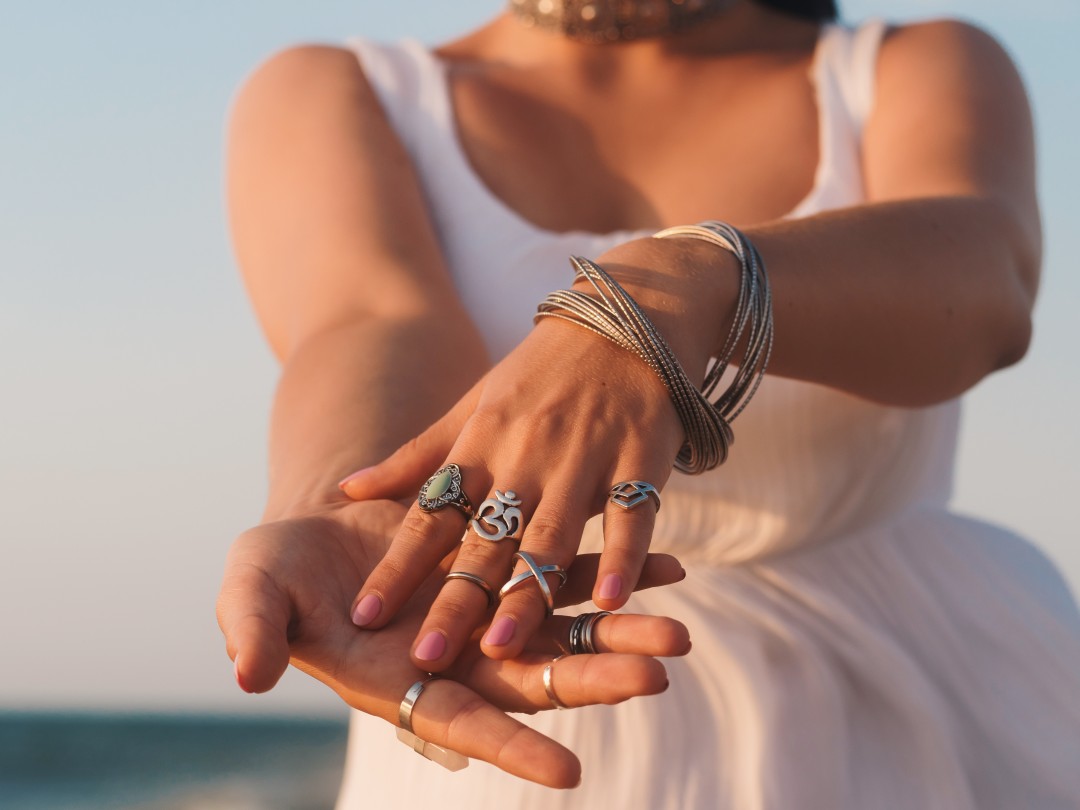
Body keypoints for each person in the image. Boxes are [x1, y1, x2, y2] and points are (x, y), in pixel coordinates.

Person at [217, 0, 1080, 807]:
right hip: (508, 665)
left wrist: (675, 288)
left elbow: (985, 284)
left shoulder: (906, 64)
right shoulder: (344, 90)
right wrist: (338, 503)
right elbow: (369, 318)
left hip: (917, 679)